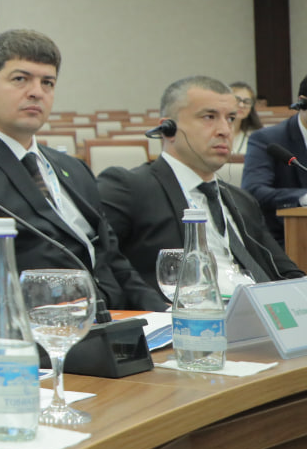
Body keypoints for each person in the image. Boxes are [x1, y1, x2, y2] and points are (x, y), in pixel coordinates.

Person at [0, 29, 164, 311]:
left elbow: (114, 261)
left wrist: (164, 315)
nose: (36, 92)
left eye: (48, 83)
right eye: (20, 79)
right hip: (44, 321)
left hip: (117, 319)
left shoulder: (73, 167)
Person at [99, 77, 302, 302]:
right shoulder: (130, 187)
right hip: (181, 316)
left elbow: (284, 271)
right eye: (209, 117)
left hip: (258, 311)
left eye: (231, 118)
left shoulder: (241, 200)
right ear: (168, 129)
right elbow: (103, 264)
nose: (225, 130)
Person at [242, 74, 307, 244]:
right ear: (302, 101)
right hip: (287, 240)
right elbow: (253, 191)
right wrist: (304, 197)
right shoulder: (268, 140)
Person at [229, 81, 261, 156]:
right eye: (237, 100)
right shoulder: (212, 132)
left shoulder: (256, 135)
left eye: (247, 101)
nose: (241, 105)